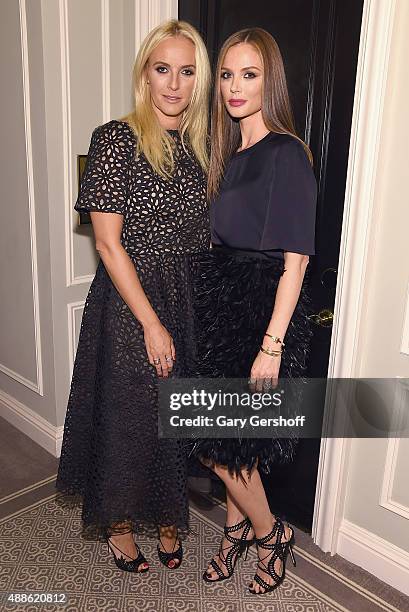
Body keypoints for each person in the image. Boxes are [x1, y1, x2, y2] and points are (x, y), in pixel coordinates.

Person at [56, 20, 211, 573]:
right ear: (144, 75)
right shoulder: (115, 138)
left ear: (200, 81)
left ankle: (168, 515)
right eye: (162, 68)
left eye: (187, 71)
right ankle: (119, 525)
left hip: (183, 300)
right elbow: (106, 241)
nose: (174, 83)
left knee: (171, 418)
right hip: (129, 303)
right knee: (127, 420)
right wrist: (150, 321)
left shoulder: (198, 145)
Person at [190, 28, 317, 594]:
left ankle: (270, 535)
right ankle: (234, 531)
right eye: (226, 75)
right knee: (227, 444)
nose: (234, 87)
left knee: (223, 445)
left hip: (261, 312)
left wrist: (272, 344)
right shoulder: (229, 153)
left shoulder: (286, 153)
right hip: (221, 305)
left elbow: (295, 261)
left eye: (250, 74)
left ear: (271, 82)